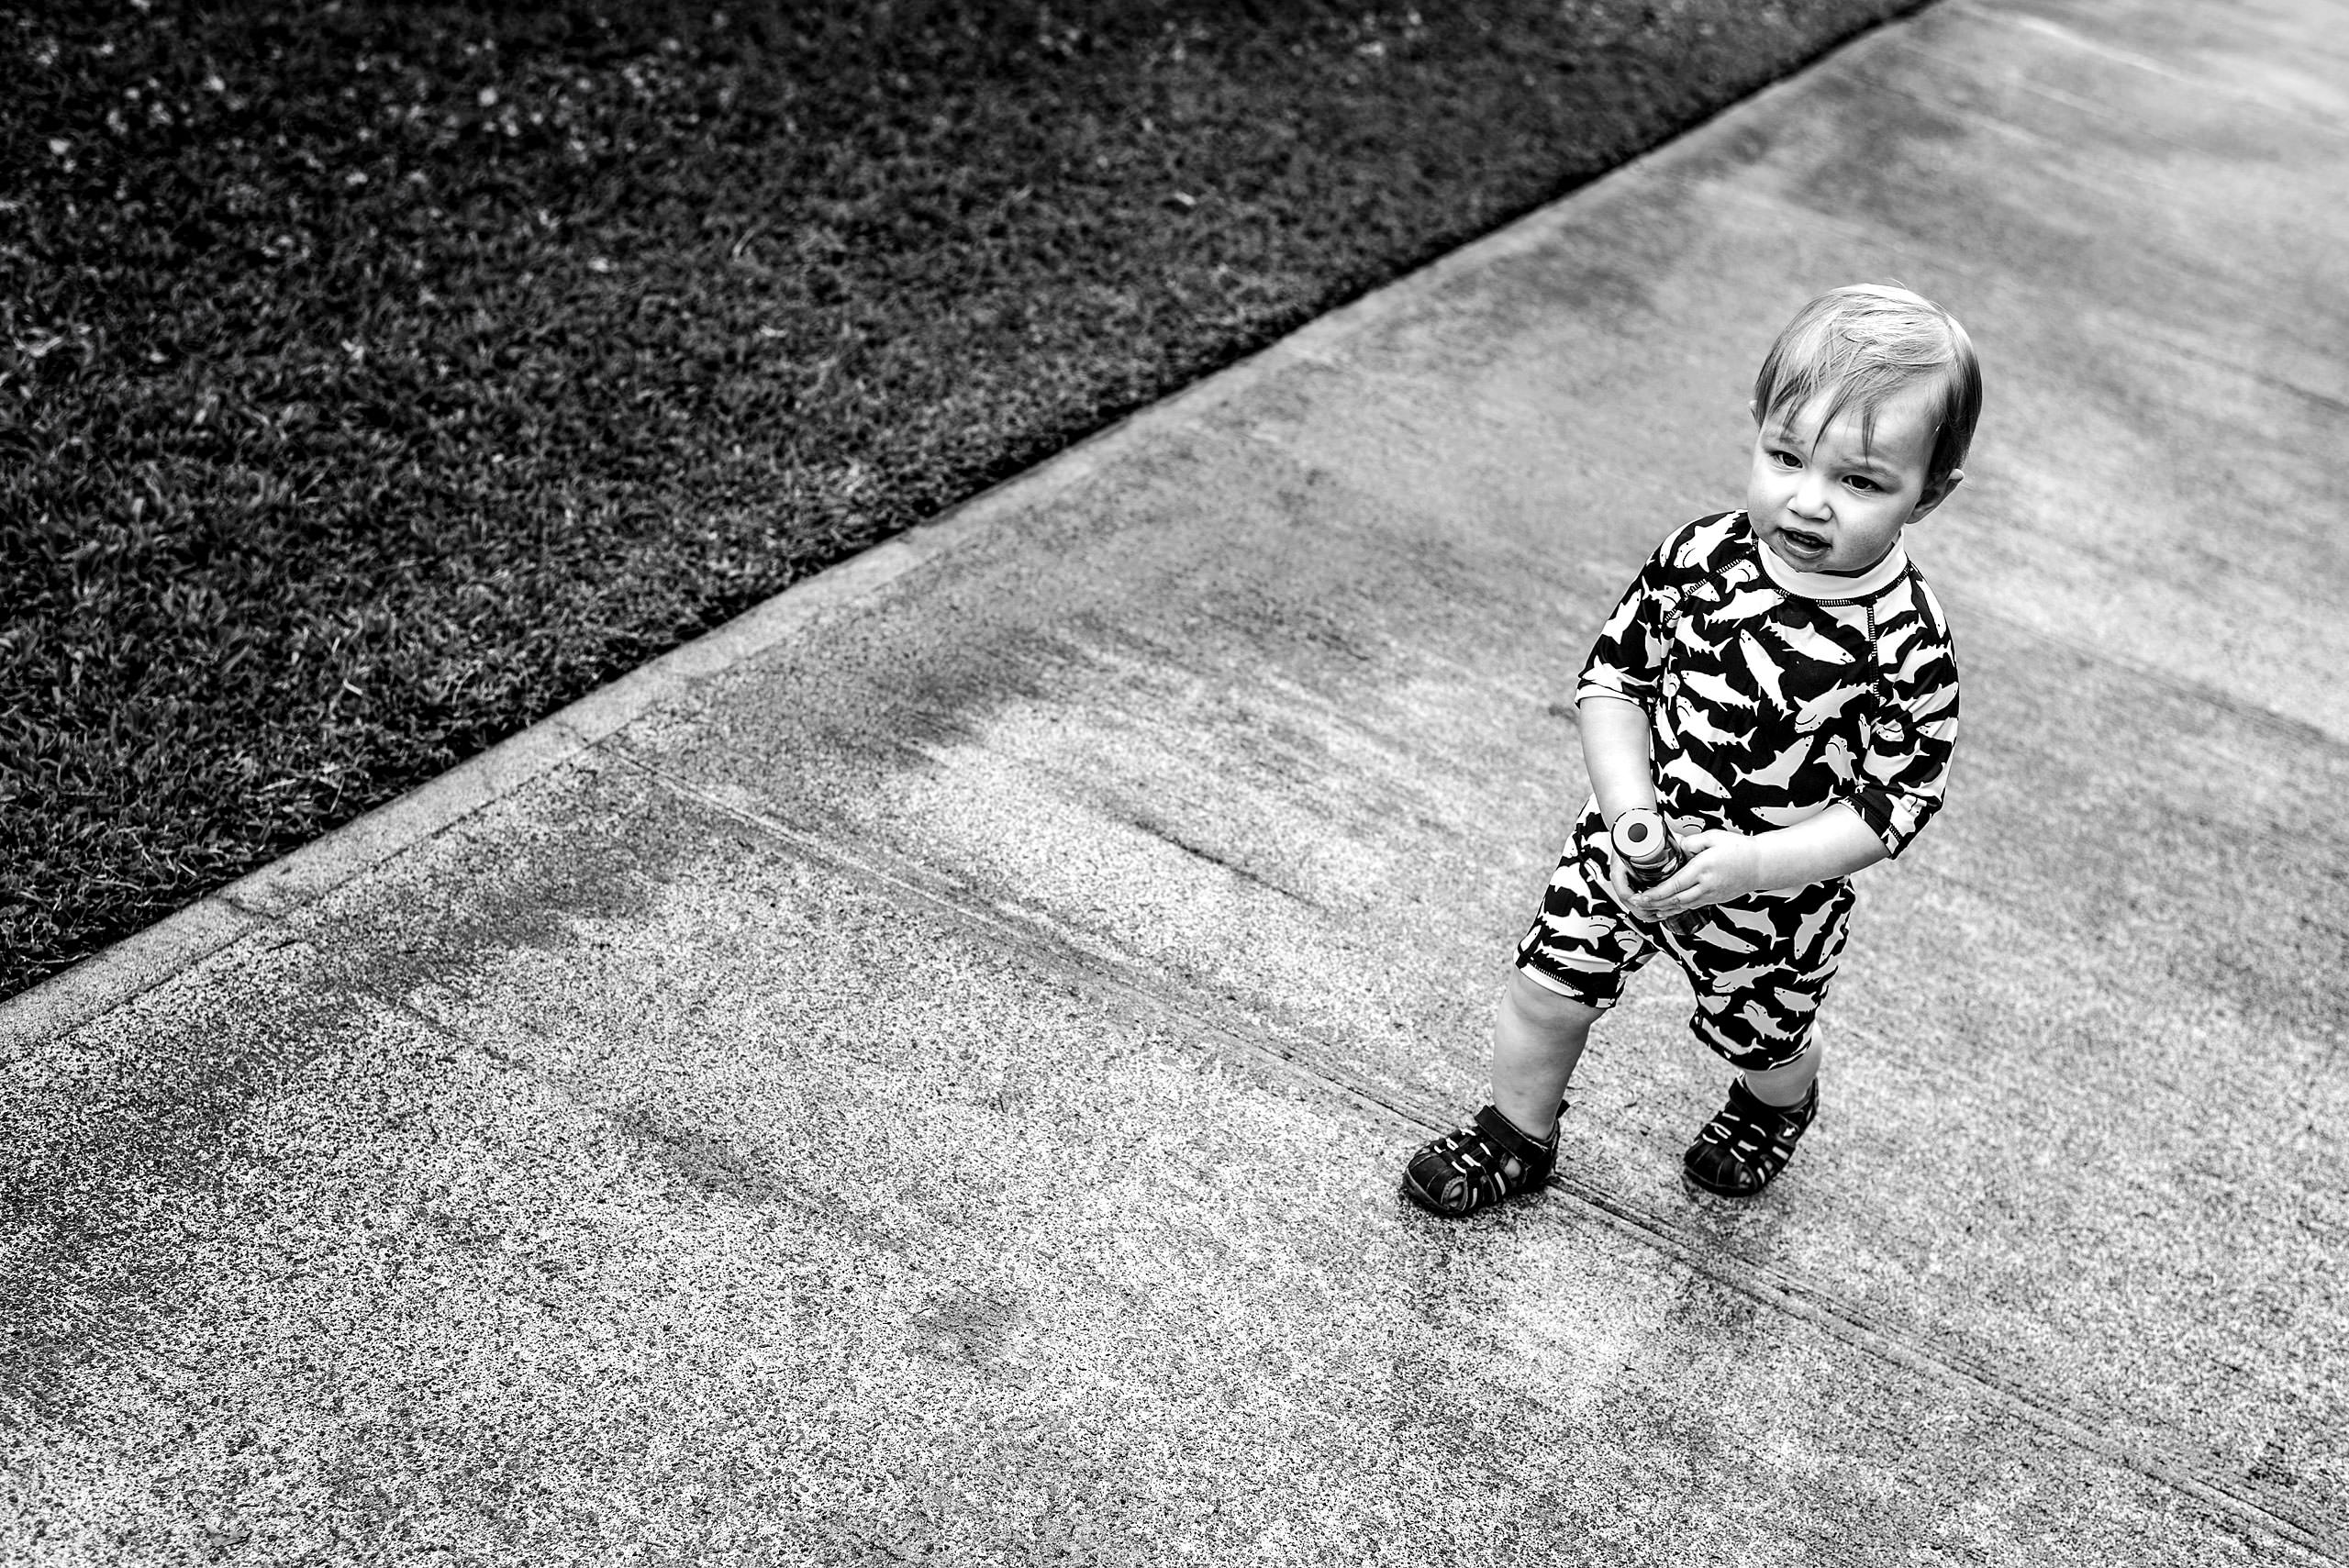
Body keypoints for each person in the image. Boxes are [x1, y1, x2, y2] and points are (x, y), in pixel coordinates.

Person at [1403, 283, 1981, 1214]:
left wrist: (1754, 862)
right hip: (1628, 844)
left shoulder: (1906, 638)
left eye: (1860, 480)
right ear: (1756, 427)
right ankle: (1516, 1133)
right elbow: (1613, 680)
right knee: (1547, 986)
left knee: (1764, 1036)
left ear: (1930, 495)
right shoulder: (1701, 556)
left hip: (1773, 900)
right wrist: (1628, 809)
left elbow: (1895, 803)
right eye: (1785, 456)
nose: (1809, 499)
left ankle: (1774, 1103)